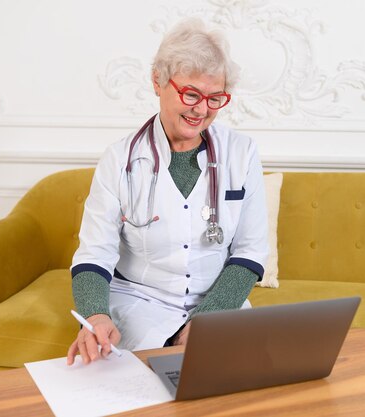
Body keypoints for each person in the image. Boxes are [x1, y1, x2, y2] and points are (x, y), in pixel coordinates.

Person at [66, 18, 268, 365]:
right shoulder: (119, 160)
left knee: (248, 376)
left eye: (215, 98)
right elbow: (94, 255)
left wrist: (208, 318)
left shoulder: (242, 152)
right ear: (158, 82)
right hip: (142, 303)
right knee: (152, 374)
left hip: (219, 300)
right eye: (190, 93)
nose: (202, 109)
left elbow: (250, 252)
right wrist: (97, 315)